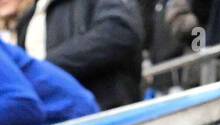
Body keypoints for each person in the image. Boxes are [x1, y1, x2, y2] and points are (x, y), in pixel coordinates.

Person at [15, 0, 145, 111]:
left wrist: (42, 69)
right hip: (56, 124)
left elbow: (119, 33)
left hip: (106, 118)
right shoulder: (27, 20)